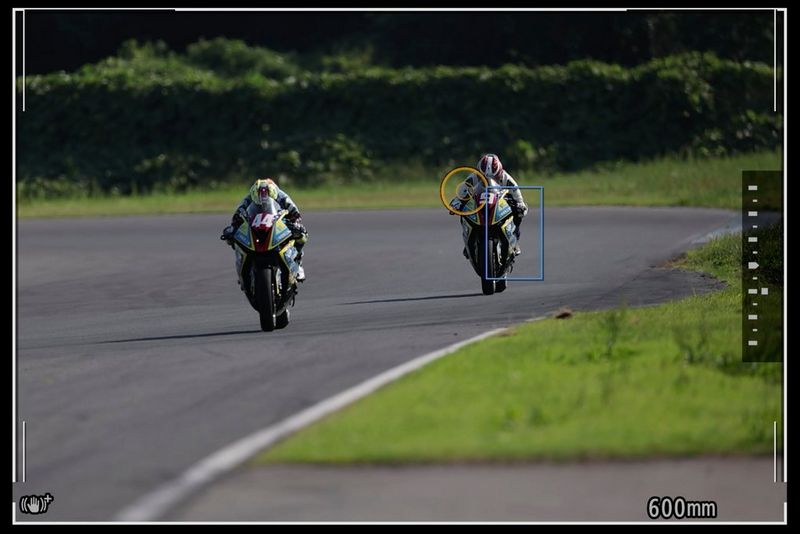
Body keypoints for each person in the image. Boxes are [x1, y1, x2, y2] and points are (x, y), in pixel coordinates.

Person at [221, 178, 308, 281]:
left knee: (302, 236)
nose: (263, 202)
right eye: (259, 200)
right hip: (256, 224)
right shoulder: (248, 199)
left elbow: (295, 213)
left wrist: (296, 225)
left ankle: (298, 264)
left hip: (279, 223)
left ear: (273, 194)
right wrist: (233, 228)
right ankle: (243, 267)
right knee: (233, 238)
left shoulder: (282, 197)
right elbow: (237, 216)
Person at [450, 153, 528, 258]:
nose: (489, 181)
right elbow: (463, 189)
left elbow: (515, 190)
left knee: (518, 213)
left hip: (500, 198)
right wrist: (457, 201)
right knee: (464, 210)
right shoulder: (474, 176)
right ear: (479, 173)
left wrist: (520, 203)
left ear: (500, 172)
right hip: (479, 198)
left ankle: (515, 239)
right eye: (484, 178)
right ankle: (468, 240)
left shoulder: (505, 177)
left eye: (494, 177)